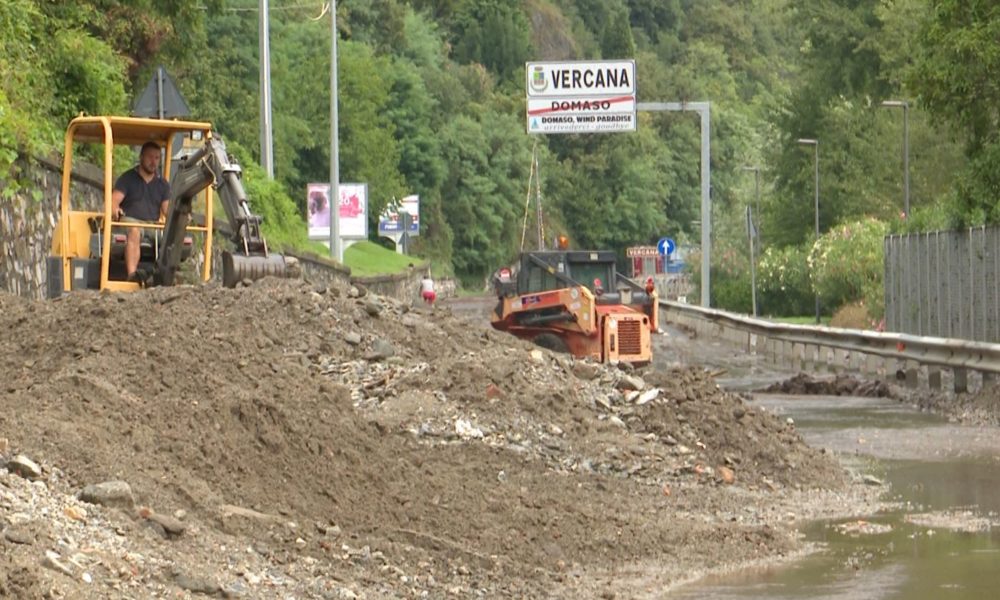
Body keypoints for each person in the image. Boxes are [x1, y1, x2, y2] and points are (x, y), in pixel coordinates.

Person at [111, 141, 171, 282]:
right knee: (135, 231)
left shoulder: (163, 184)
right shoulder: (127, 178)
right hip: (131, 220)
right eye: (150, 157)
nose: (153, 161)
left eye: (157, 158)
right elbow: (113, 201)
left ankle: (165, 276)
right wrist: (115, 209)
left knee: (170, 236)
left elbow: (167, 209)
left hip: (152, 224)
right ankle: (132, 275)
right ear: (141, 157)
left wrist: (179, 218)